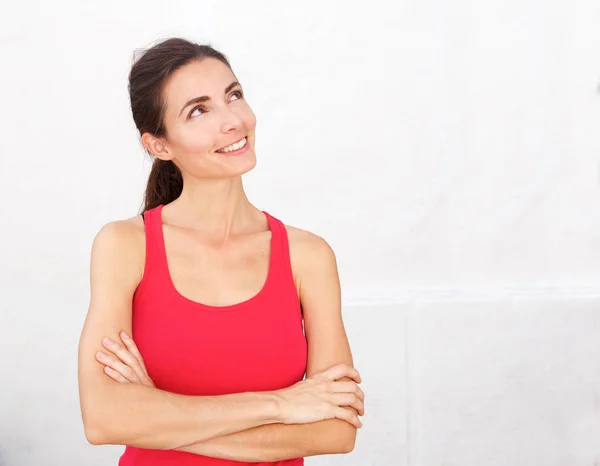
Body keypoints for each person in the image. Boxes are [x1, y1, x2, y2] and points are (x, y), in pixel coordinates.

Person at [77, 37, 365, 465]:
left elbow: (337, 430)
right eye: (199, 110)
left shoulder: (308, 256)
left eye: (234, 95)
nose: (232, 120)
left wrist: (158, 415)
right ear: (159, 145)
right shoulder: (125, 246)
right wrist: (280, 405)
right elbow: (103, 419)